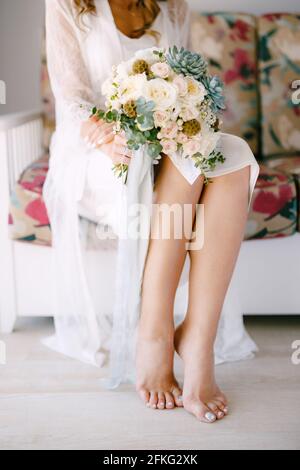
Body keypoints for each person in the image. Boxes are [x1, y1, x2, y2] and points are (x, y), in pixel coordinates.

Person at [44, 0, 259, 423]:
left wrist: (182, 116)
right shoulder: (66, 4)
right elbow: (71, 96)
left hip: (164, 145)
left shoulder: (174, 7)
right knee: (181, 161)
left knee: (234, 157)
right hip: (94, 150)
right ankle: (155, 333)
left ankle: (198, 338)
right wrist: (105, 135)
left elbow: (187, 78)